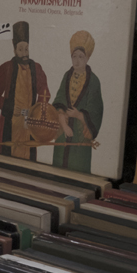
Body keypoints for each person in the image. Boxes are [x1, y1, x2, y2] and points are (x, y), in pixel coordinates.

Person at [0, 21, 49, 161]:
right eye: (20, 49)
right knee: (8, 158)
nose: (24, 53)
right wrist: (8, 107)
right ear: (14, 50)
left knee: (28, 158)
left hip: (29, 121)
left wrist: (37, 110)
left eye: (26, 49)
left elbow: (45, 92)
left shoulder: (36, 68)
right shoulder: (6, 68)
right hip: (12, 120)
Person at [52, 30, 103, 174]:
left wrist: (79, 115)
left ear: (87, 58)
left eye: (81, 56)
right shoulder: (66, 76)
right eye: (74, 56)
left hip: (80, 137)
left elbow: (96, 110)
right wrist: (62, 121)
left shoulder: (93, 81)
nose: (77, 61)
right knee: (58, 172)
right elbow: (59, 100)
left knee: (78, 172)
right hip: (63, 133)